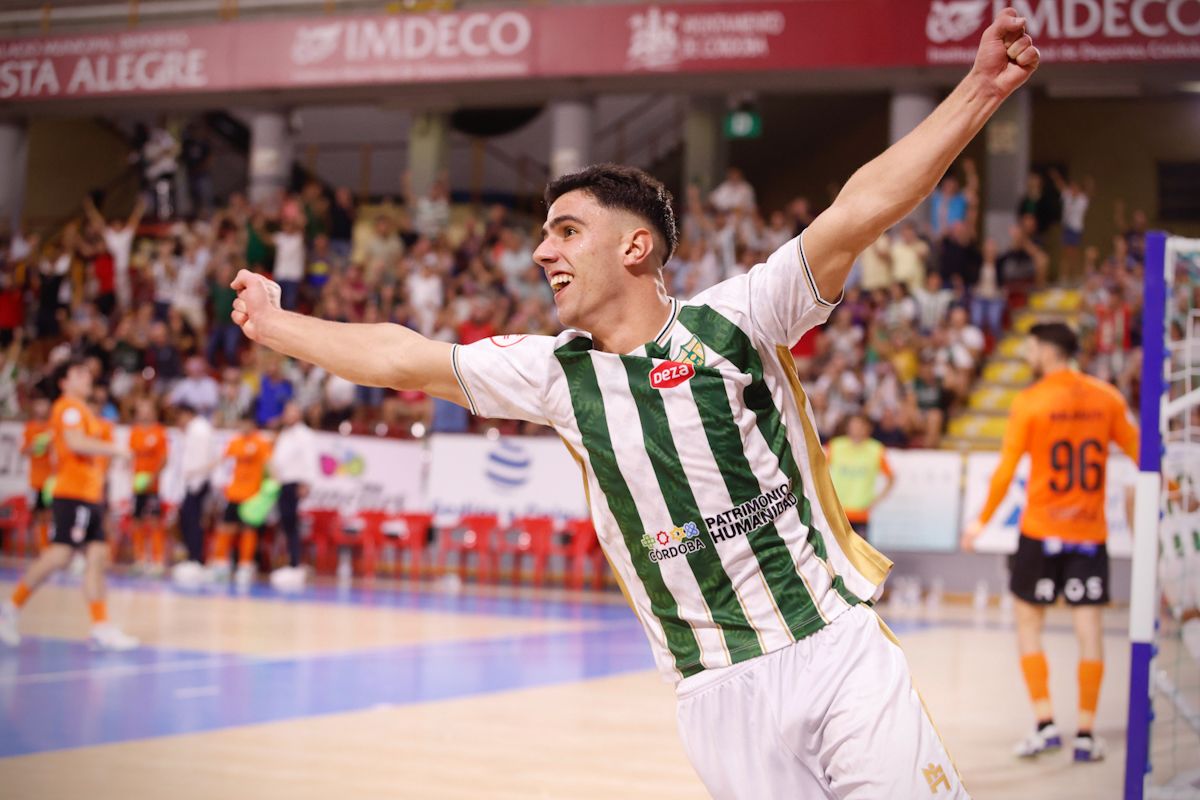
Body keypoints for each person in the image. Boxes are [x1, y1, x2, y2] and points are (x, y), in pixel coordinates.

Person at [230, 12, 1038, 797]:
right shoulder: (553, 374)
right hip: (716, 691)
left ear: (635, 246)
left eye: (567, 230)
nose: (543, 250)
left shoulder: (740, 315)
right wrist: (275, 324)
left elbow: (857, 212)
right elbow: (403, 356)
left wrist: (977, 89)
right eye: (544, 235)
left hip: (832, 647)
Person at [962, 322, 1138, 764]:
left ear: (1046, 349)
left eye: (1030, 346)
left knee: (1028, 624)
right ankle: (1085, 733)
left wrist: (979, 522)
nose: (1026, 352)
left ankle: (1044, 724)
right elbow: (1143, 454)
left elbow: (1005, 471)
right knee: (1089, 631)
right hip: (1088, 536)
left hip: (1039, 532)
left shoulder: (1030, 401)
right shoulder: (1107, 398)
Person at [0, 357, 137, 650]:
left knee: (97, 558)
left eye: (88, 373)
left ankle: (101, 626)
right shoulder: (69, 409)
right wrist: (117, 451)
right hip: (72, 494)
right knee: (60, 556)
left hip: (89, 495)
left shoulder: (83, 410)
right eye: (79, 374)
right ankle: (10, 607)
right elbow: (75, 443)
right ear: (64, 382)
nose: (87, 377)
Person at [211, 412, 273, 586]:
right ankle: (220, 563)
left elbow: (269, 465)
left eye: (246, 423)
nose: (243, 427)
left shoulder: (261, 443)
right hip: (234, 493)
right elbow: (223, 463)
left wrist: (271, 488)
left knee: (248, 530)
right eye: (241, 424)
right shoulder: (235, 442)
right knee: (226, 528)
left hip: (252, 495)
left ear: (252, 424)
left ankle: (245, 565)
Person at [269, 401, 318, 592]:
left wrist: (307, 482)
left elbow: (309, 458)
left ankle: (295, 564)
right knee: (285, 523)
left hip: (295, 482)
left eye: (293, 412)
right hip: (282, 482)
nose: (289, 415)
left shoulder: (304, 435)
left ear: (299, 414)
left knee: (291, 524)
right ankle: (290, 562)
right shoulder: (285, 434)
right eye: (287, 412)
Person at [827, 412, 895, 539]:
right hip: (838, 511)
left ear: (867, 428)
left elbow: (891, 478)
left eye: (860, 425)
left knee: (860, 554)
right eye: (853, 425)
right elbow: (818, 470)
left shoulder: (876, 449)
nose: (856, 429)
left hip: (861, 512)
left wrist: (877, 500)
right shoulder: (835, 446)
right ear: (847, 427)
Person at [171, 403, 216, 589]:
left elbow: (204, 458)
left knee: (193, 521)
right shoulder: (194, 430)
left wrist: (196, 481)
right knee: (187, 520)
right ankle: (192, 556)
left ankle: (196, 558)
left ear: (187, 414)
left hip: (198, 481)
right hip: (193, 481)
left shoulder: (200, 430)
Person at [128, 398, 170, 576]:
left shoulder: (160, 432)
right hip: (137, 485)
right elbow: (131, 455)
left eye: (147, 409)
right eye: (141, 409)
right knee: (136, 521)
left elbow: (164, 458)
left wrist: (152, 478)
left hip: (153, 486)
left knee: (154, 521)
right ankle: (140, 559)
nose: (144, 412)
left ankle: (158, 560)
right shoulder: (134, 432)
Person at [82, 195, 146, 311]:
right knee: (106, 301)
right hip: (108, 274)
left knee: (125, 304)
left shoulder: (125, 236)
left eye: (119, 224)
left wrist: (140, 207)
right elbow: (99, 222)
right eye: (114, 224)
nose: (116, 226)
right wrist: (90, 208)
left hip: (122, 272)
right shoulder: (110, 235)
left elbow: (134, 220)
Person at [21, 395, 55, 553]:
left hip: (51, 480)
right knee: (38, 513)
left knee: (50, 513)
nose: (41, 408)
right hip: (36, 480)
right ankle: (41, 547)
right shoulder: (30, 427)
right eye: (38, 404)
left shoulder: (52, 427)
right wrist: (36, 445)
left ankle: (49, 545)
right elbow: (24, 451)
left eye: (44, 404)